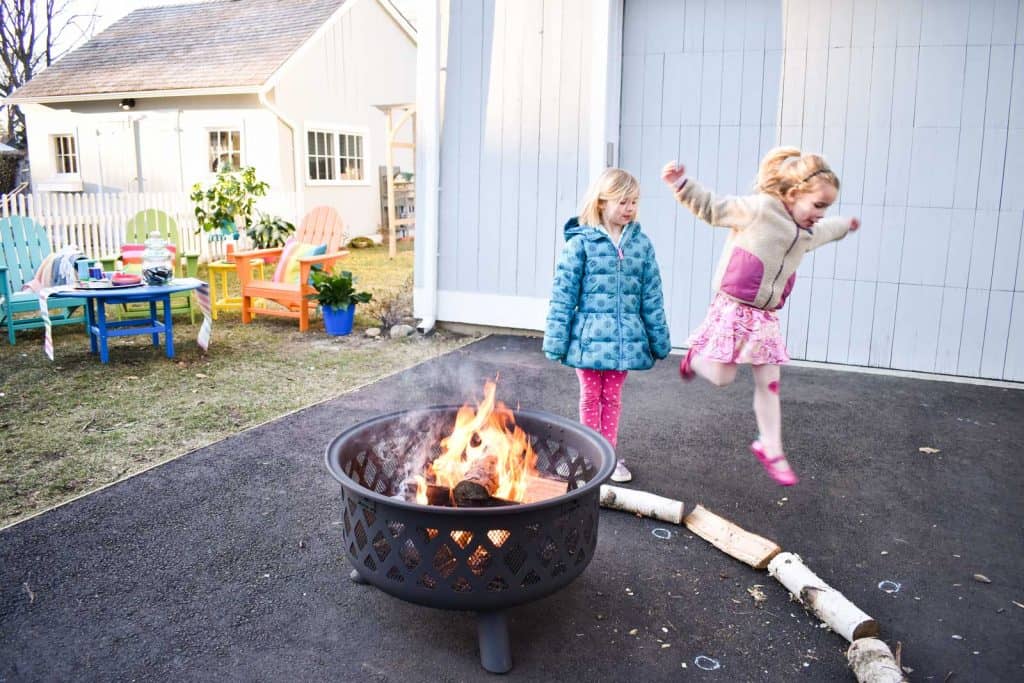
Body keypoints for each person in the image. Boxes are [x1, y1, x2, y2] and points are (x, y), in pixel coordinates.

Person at [662, 147, 860, 486]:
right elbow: (713, 208)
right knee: (723, 378)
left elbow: (828, 230)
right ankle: (695, 359)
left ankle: (771, 447)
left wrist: (845, 226)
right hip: (733, 307)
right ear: (794, 193)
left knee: (769, 382)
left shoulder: (808, 231)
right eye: (818, 205)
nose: (821, 214)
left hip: (765, 316)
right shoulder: (759, 209)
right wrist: (681, 184)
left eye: (827, 207)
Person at [543, 168, 671, 483]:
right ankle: (588, 457)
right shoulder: (581, 244)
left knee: (612, 398)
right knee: (590, 395)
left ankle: (609, 456)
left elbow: (651, 296)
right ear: (601, 202)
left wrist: (659, 339)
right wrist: (556, 340)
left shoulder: (641, 245)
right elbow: (563, 295)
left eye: (634, 202)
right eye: (622, 201)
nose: (629, 208)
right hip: (588, 339)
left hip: (624, 340)